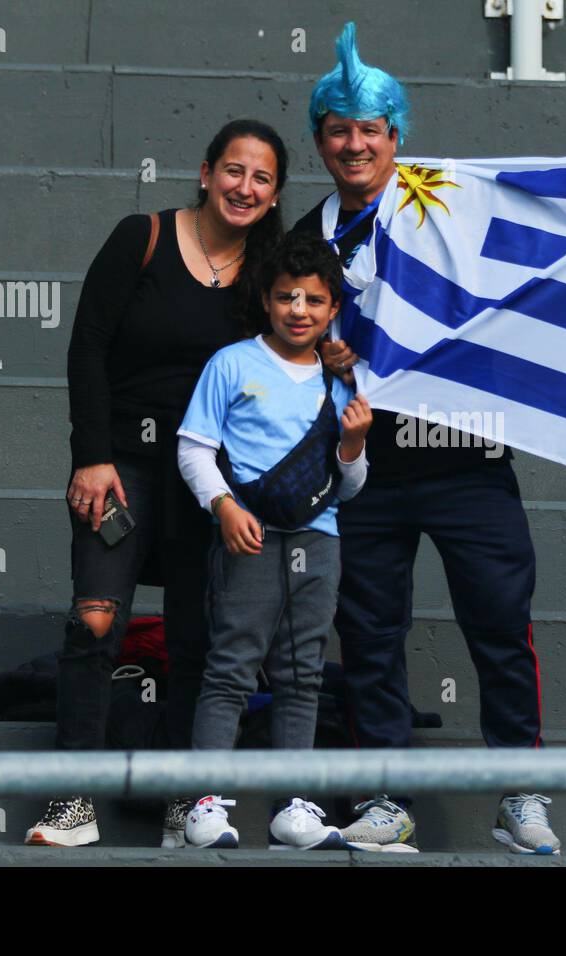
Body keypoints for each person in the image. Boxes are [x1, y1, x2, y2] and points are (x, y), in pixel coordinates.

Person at [292, 23, 559, 855]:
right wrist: (322, 355)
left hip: (467, 461)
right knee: (369, 636)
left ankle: (519, 793)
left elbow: (554, 214)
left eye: (371, 128)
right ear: (321, 141)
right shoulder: (303, 239)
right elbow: (279, 341)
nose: (355, 142)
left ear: (397, 137)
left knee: (499, 625)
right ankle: (387, 798)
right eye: (339, 129)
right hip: (364, 470)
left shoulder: (446, 201)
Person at [24, 119, 288, 848]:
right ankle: (70, 804)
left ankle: (185, 808)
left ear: (273, 197)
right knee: (95, 622)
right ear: (206, 173)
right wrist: (92, 455)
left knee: (196, 639)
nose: (245, 187)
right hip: (124, 466)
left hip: (209, 478)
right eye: (234, 171)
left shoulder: (271, 275)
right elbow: (88, 347)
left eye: (262, 179)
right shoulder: (139, 236)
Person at [174, 231, 373, 850]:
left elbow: (350, 488)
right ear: (265, 299)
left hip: (319, 540)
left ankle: (295, 808)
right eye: (287, 297)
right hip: (250, 539)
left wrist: (354, 446)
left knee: (302, 674)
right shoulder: (231, 363)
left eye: (314, 300)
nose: (299, 310)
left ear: (333, 308)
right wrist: (223, 506)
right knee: (232, 668)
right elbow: (193, 448)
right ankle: (203, 805)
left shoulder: (341, 380)